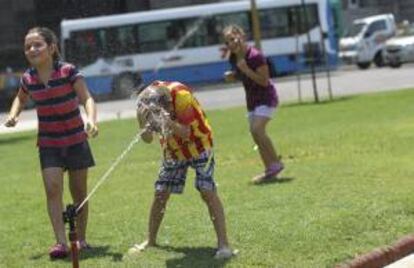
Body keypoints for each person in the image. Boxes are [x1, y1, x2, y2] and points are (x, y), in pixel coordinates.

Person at [4, 27, 98, 259]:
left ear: (52, 48)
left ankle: (82, 238)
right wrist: (14, 114)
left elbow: (86, 98)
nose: (32, 49)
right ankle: (60, 242)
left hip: (76, 140)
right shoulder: (28, 78)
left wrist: (92, 121)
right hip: (49, 143)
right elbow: (20, 97)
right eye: (28, 46)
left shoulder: (68, 71)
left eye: (37, 44)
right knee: (52, 189)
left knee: (79, 192)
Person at [129, 80, 235, 259]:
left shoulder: (181, 97)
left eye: (167, 108)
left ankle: (224, 245)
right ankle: (151, 240)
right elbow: (148, 139)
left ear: (169, 103)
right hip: (173, 149)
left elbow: (186, 132)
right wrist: (142, 121)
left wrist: (166, 120)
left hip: (200, 143)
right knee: (161, 192)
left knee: (206, 190)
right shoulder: (147, 101)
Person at [222, 24, 284, 184]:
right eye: (227, 42)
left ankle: (276, 163)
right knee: (256, 134)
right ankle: (270, 169)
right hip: (252, 100)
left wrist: (246, 69)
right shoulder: (233, 57)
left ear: (241, 37)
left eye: (233, 39)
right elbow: (243, 76)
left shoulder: (255, 56)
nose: (231, 44)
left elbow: (264, 81)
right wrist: (234, 75)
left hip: (266, 97)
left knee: (257, 129)